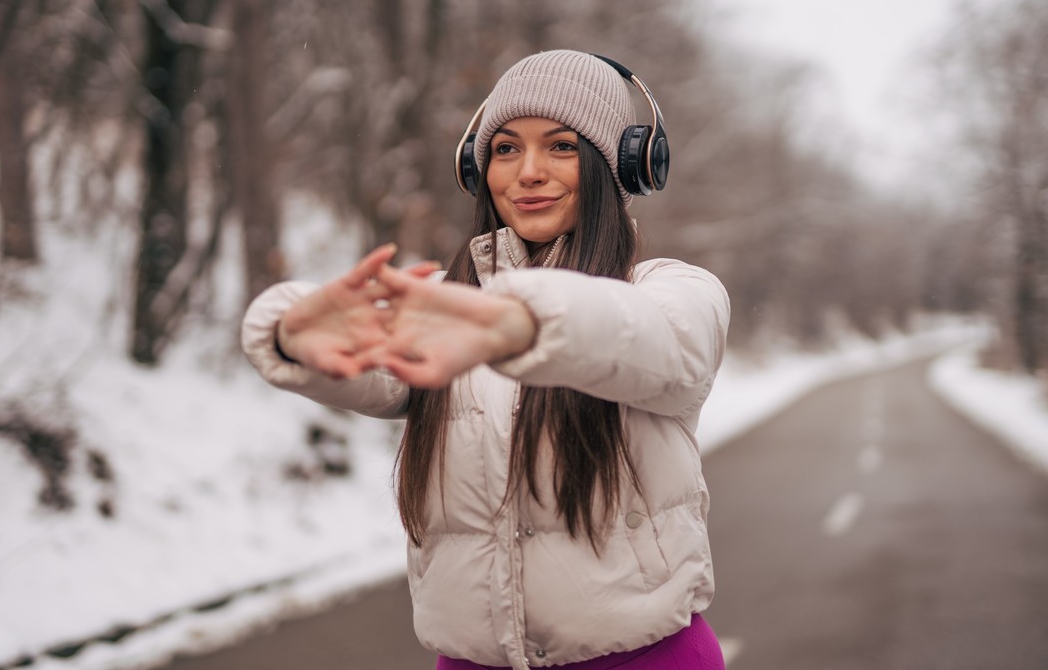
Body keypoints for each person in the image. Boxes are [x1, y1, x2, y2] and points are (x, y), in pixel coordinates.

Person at [241, 49, 731, 669]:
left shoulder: (672, 289)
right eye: (504, 149)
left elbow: (663, 344)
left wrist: (522, 322)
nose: (527, 172)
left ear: (622, 165)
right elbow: (379, 366)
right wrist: (293, 334)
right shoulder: (453, 307)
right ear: (476, 167)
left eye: (560, 147)